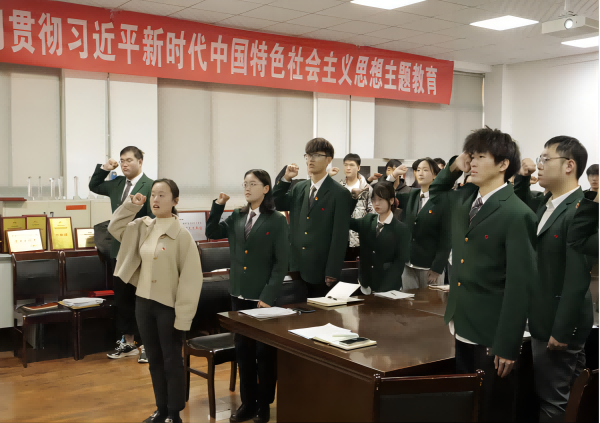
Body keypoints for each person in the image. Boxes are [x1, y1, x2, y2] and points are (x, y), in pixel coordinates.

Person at [429, 127, 538, 422]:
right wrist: (455, 166)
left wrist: (508, 343)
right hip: (461, 321)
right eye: (471, 156)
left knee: (492, 409)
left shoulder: (517, 213)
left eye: (480, 157)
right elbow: (436, 192)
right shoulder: (466, 201)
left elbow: (520, 285)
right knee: (467, 406)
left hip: (492, 331)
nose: (472, 162)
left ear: (503, 164)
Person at [108, 179, 203, 423]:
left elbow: (191, 280)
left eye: (162, 195)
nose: (156, 199)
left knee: (172, 360)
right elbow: (114, 227)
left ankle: (174, 412)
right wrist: (131, 205)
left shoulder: (182, 236)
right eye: (153, 195)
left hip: (168, 307)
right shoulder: (143, 227)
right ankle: (161, 409)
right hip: (143, 303)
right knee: (154, 360)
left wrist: (183, 318)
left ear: (175, 200)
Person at [514, 136, 593, 423]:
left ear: (569, 166)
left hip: (558, 323)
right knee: (570, 397)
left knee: (553, 400)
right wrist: (522, 178)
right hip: (545, 314)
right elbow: (520, 206)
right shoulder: (548, 204)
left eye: (546, 159)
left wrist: (561, 330)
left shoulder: (580, 210)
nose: (540, 165)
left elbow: (577, 278)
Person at [205, 169, 288, 423]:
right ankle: (248, 403)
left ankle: (264, 405)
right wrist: (218, 205)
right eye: (245, 184)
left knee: (264, 355)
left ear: (266, 188)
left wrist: (268, 295)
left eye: (253, 184)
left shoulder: (276, 220)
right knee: (243, 353)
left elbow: (281, 263)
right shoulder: (237, 215)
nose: (247, 188)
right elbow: (212, 232)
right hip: (239, 294)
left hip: (262, 298)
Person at [89, 146, 154, 363]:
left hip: (141, 250)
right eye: (122, 160)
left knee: (143, 300)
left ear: (140, 162)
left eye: (129, 160)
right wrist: (105, 168)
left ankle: (147, 345)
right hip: (119, 249)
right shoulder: (117, 184)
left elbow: (153, 218)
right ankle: (128, 343)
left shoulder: (151, 185)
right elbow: (94, 185)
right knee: (123, 300)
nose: (124, 164)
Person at [272, 138, 356, 299]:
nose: (311, 159)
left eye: (316, 155)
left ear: (328, 160)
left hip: (320, 268)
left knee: (317, 311)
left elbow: (339, 235)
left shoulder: (339, 193)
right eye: (308, 155)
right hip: (295, 264)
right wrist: (285, 180)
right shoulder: (299, 188)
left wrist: (332, 270)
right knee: (294, 309)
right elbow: (277, 203)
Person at [387, 157, 451, 290]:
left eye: (425, 170)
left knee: (430, 302)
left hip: (429, 266)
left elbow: (446, 238)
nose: (420, 173)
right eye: (418, 170)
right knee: (408, 301)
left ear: (435, 175)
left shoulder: (444, 200)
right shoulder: (412, 194)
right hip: (408, 263)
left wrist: (437, 268)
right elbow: (385, 194)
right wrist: (393, 176)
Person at [349, 182, 410, 294]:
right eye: (374, 200)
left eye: (380, 199)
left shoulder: (401, 229)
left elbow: (399, 263)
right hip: (365, 285)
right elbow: (345, 220)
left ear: (391, 200)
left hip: (388, 288)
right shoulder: (368, 220)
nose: (376, 204)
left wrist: (384, 290)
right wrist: (353, 198)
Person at [329, 153, 373, 261]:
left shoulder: (367, 189)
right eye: (346, 165)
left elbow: (372, 212)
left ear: (358, 167)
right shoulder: (339, 187)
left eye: (352, 165)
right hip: (342, 236)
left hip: (361, 237)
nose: (348, 168)